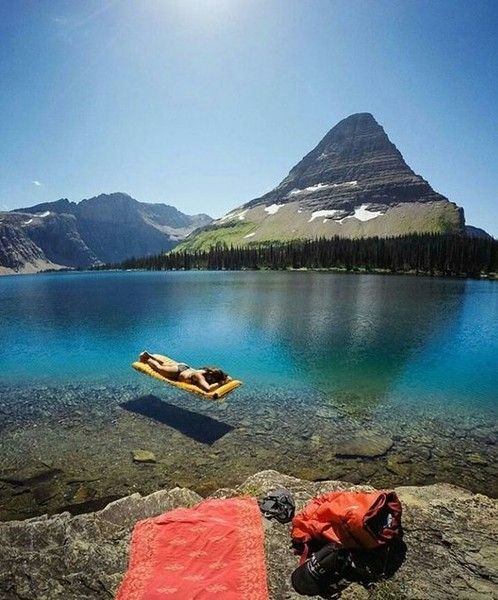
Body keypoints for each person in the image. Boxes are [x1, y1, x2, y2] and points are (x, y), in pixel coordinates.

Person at [139, 351, 232, 392]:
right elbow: (207, 389)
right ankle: (147, 359)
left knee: (164, 364)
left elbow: (228, 378)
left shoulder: (208, 371)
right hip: (177, 372)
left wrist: (225, 379)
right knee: (159, 368)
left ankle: (150, 355)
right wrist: (221, 383)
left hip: (184, 367)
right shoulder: (200, 376)